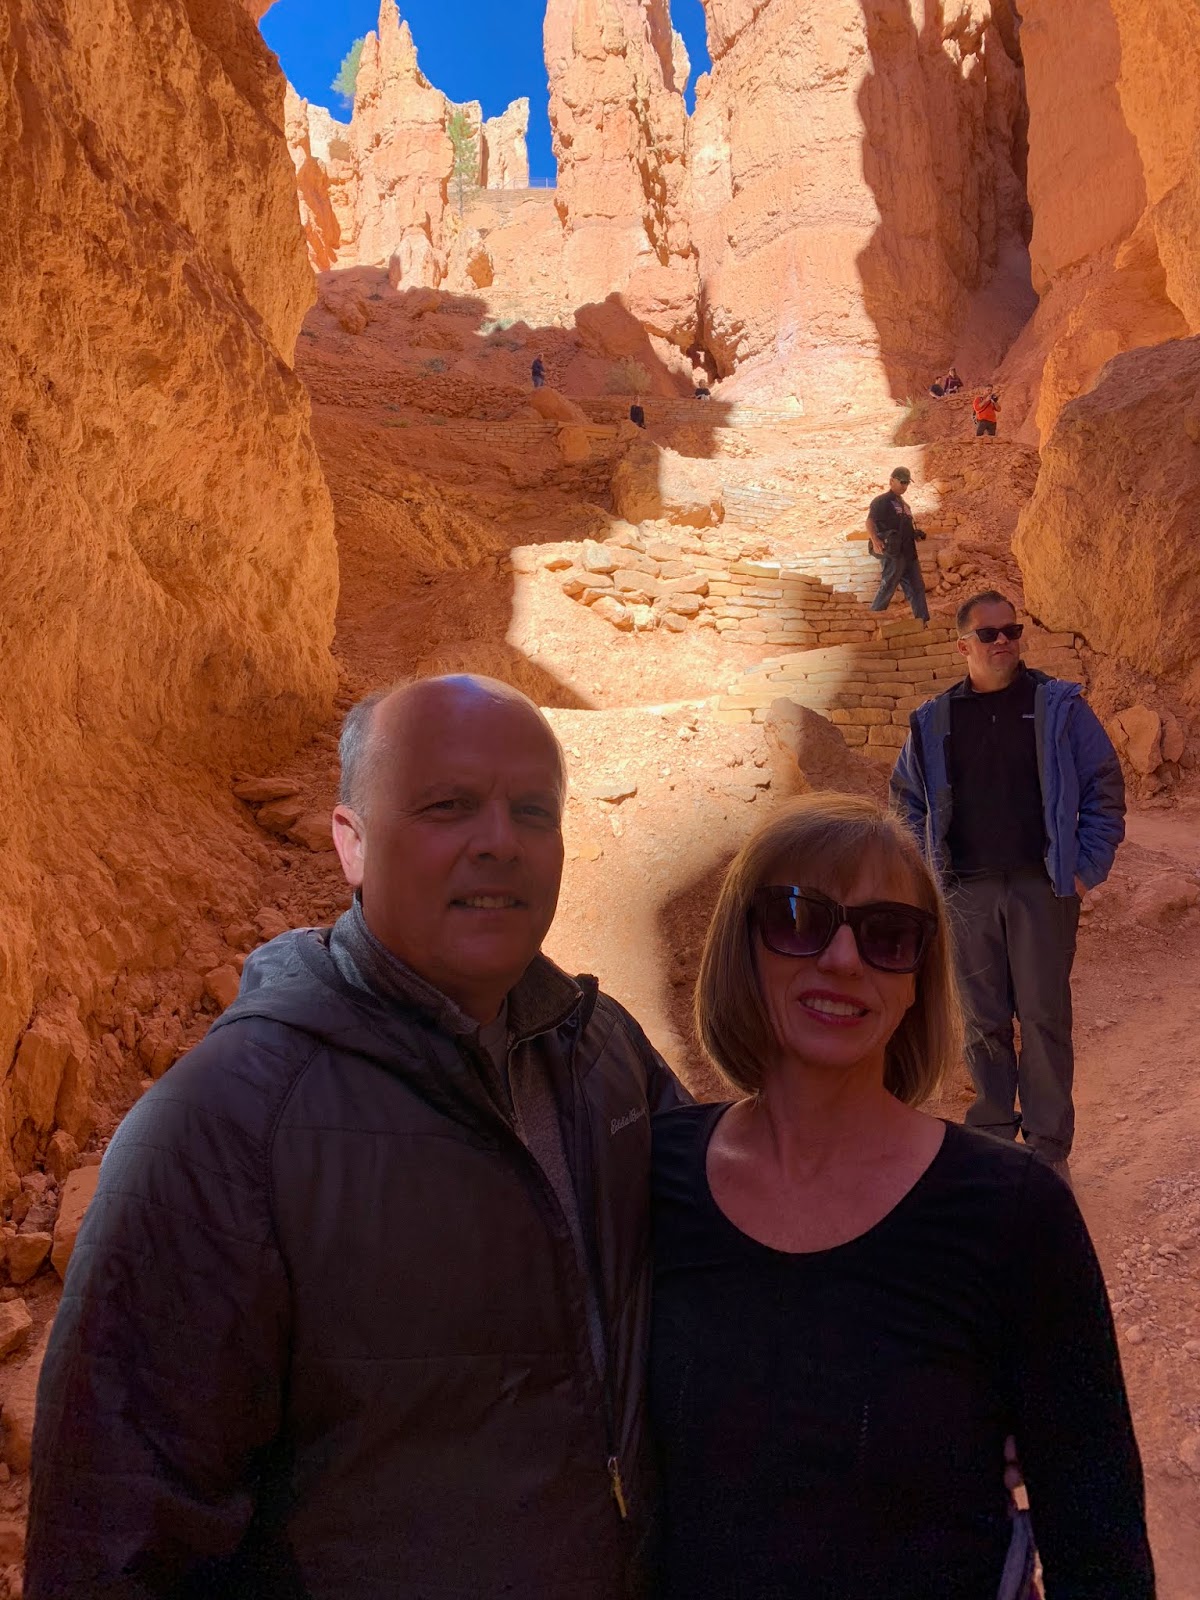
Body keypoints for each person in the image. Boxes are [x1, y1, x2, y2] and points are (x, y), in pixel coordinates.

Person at [26, 676, 688, 1599]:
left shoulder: (600, 1050)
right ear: (351, 841)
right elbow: (117, 1534)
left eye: (533, 811)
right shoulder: (225, 1127)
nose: (499, 841)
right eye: (447, 806)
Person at [650, 794, 1154, 1600]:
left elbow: (1098, 1540)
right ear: (742, 947)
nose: (843, 959)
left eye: (888, 936)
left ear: (918, 981)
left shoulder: (1012, 1214)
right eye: (798, 919)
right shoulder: (651, 1177)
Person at [890, 592, 1125, 1177]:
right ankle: (994, 1143)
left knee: (1045, 1018)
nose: (1003, 642)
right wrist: (927, 878)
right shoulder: (934, 720)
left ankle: (1047, 1151)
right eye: (989, 634)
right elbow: (906, 803)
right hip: (964, 893)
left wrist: (1084, 868)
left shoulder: (1058, 707)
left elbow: (1104, 785)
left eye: (1011, 631)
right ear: (962, 645)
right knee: (981, 1020)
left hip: (1042, 888)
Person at [866, 465, 929, 624]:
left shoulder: (905, 505)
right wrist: (875, 540)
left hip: (909, 554)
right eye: (902, 482)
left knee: (917, 588)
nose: (904, 486)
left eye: (907, 483)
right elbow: (870, 521)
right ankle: (872, 621)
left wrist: (916, 534)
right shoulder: (882, 501)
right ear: (891, 481)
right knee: (888, 585)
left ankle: (923, 623)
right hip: (893, 553)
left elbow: (904, 528)